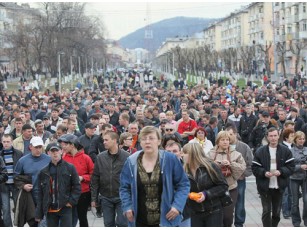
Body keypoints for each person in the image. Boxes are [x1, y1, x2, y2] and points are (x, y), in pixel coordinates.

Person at [119, 126, 190, 227]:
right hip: (139, 219)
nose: (147, 141)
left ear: (159, 141)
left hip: (166, 218)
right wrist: (127, 206)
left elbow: (183, 184)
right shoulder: (131, 161)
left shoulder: (170, 159)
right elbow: (124, 187)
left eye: (151, 138)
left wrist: (177, 206)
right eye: (144, 139)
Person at [252, 127, 295, 227]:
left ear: (278, 136)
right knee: (266, 211)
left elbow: (291, 167)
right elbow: (254, 168)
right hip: (265, 186)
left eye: (275, 135)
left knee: (276, 212)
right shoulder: (260, 151)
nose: (273, 138)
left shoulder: (285, 151)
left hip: (279, 187)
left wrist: (281, 171)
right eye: (271, 136)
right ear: (267, 137)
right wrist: (264, 173)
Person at [35, 143, 81, 227]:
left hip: (65, 207)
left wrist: (71, 202)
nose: (55, 153)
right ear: (48, 153)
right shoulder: (43, 172)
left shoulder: (70, 168)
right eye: (52, 151)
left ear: (61, 151)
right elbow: (40, 193)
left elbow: (77, 186)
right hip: (50, 208)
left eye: (57, 150)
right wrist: (39, 213)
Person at [182, 143, 228, 227]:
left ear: (193, 154)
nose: (182, 155)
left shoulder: (210, 167)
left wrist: (206, 194)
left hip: (213, 210)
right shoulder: (183, 169)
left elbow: (223, 186)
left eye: (185, 153)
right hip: (194, 212)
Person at [207, 131, 246, 227]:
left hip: (231, 188)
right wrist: (214, 164)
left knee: (228, 216)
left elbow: (242, 167)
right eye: (222, 140)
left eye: (227, 140)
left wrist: (230, 164)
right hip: (214, 189)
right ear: (218, 141)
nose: (225, 142)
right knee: (216, 215)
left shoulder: (236, 154)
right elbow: (204, 168)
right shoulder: (210, 154)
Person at [91, 131, 129, 227]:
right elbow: (95, 178)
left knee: (122, 223)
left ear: (115, 140)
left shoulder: (127, 157)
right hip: (106, 197)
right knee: (108, 224)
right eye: (103, 140)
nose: (104, 142)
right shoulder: (100, 157)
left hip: (122, 197)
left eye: (106, 140)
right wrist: (93, 198)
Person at [14, 136, 51, 227]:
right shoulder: (22, 161)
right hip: (30, 196)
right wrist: (23, 186)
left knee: (45, 222)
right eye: (36, 147)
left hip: (46, 196)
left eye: (40, 147)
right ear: (30, 147)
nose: (38, 150)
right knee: (33, 221)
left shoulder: (48, 159)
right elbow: (16, 177)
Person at [60, 134, 94, 227]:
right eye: (62, 144)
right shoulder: (63, 158)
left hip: (83, 193)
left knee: (82, 217)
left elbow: (93, 175)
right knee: (68, 218)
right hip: (68, 194)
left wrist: (83, 178)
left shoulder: (86, 158)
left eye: (65, 144)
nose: (63, 147)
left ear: (72, 145)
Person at [225, 125, 253, 227]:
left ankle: (239, 223)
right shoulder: (223, 146)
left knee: (240, 201)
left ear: (236, 134)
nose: (228, 138)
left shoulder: (244, 147)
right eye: (226, 135)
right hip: (226, 180)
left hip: (240, 180)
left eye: (230, 135)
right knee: (227, 202)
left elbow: (250, 164)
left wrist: (243, 174)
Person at [0, 134, 23, 227]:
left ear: (12, 141)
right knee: (5, 209)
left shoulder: (18, 153)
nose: (6, 144)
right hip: (3, 185)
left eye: (8, 141)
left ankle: (18, 226)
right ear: (1, 142)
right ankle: (8, 227)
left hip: (15, 184)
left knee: (18, 208)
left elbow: (22, 169)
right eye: (4, 141)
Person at [290, 131, 307, 227]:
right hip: (294, 178)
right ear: (295, 139)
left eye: (303, 139)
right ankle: (296, 222)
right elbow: (289, 166)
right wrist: (300, 167)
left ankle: (306, 220)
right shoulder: (291, 151)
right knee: (295, 201)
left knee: (306, 200)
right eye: (300, 139)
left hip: (305, 178)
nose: (302, 140)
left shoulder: (306, 149)